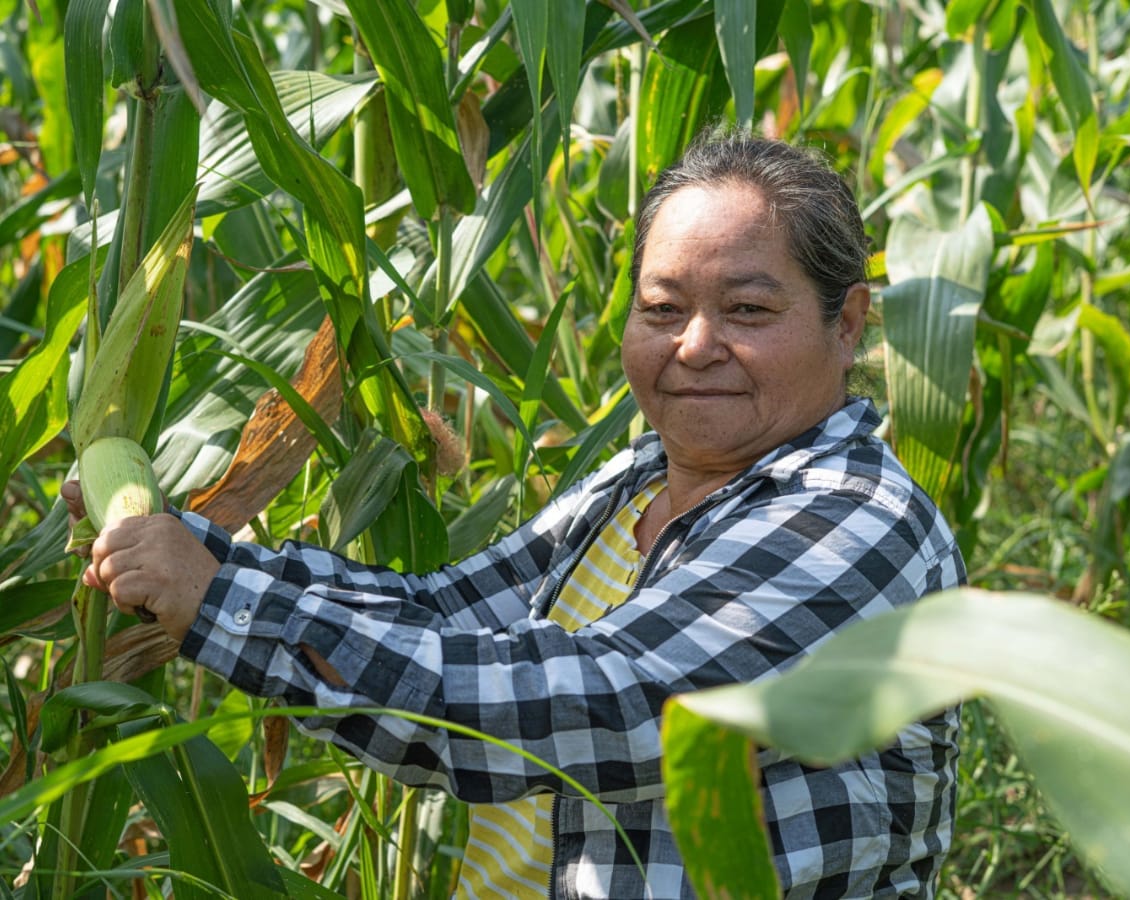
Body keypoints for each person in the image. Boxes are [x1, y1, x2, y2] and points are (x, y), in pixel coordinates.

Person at [65, 130, 965, 898]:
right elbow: (440, 614)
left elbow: (605, 704)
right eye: (662, 308)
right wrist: (194, 551)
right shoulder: (643, 477)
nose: (695, 346)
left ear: (847, 323)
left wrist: (218, 603)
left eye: (748, 309)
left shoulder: (857, 525)